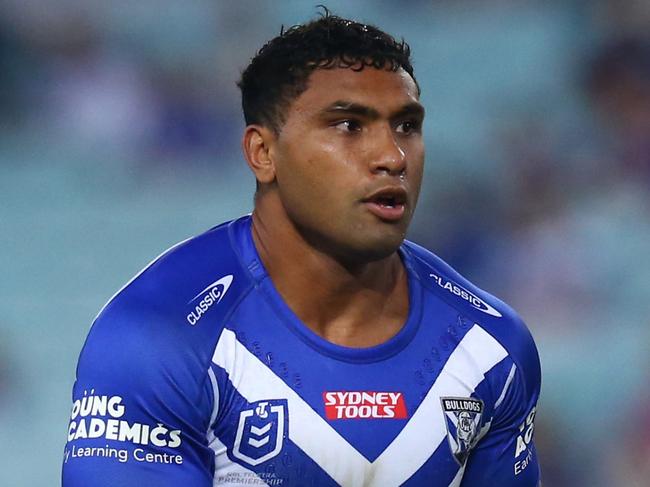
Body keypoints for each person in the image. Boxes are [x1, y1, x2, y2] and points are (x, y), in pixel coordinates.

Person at [62, 10, 541, 487]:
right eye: (349, 125)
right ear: (263, 153)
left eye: (407, 126)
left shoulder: (490, 346)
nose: (392, 157)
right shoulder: (157, 336)